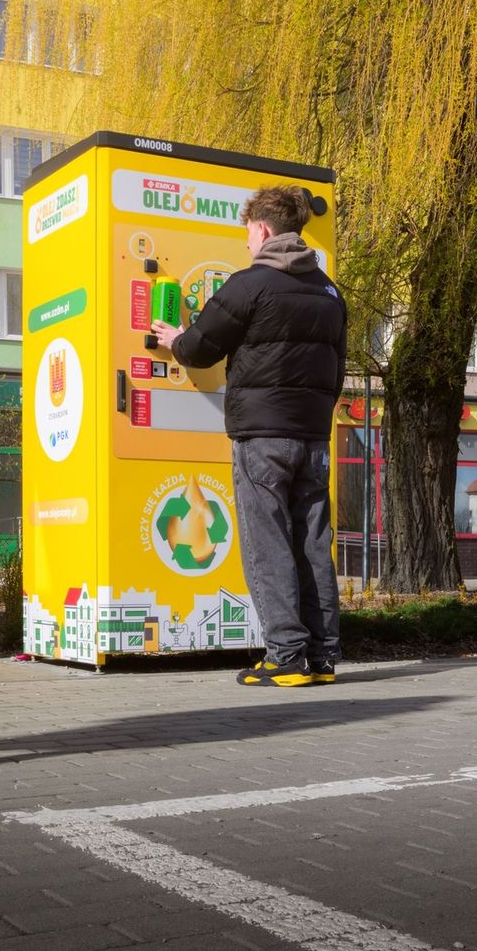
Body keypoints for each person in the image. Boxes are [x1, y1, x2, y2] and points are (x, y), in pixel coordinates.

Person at [152, 185, 348, 687]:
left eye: (247, 234)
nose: (245, 244)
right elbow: (337, 368)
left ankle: (285, 657)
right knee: (312, 542)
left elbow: (200, 349)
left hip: (262, 436)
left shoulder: (249, 284)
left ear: (261, 230)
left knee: (268, 542)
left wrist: (174, 339)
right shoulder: (329, 293)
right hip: (313, 437)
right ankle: (322, 657)